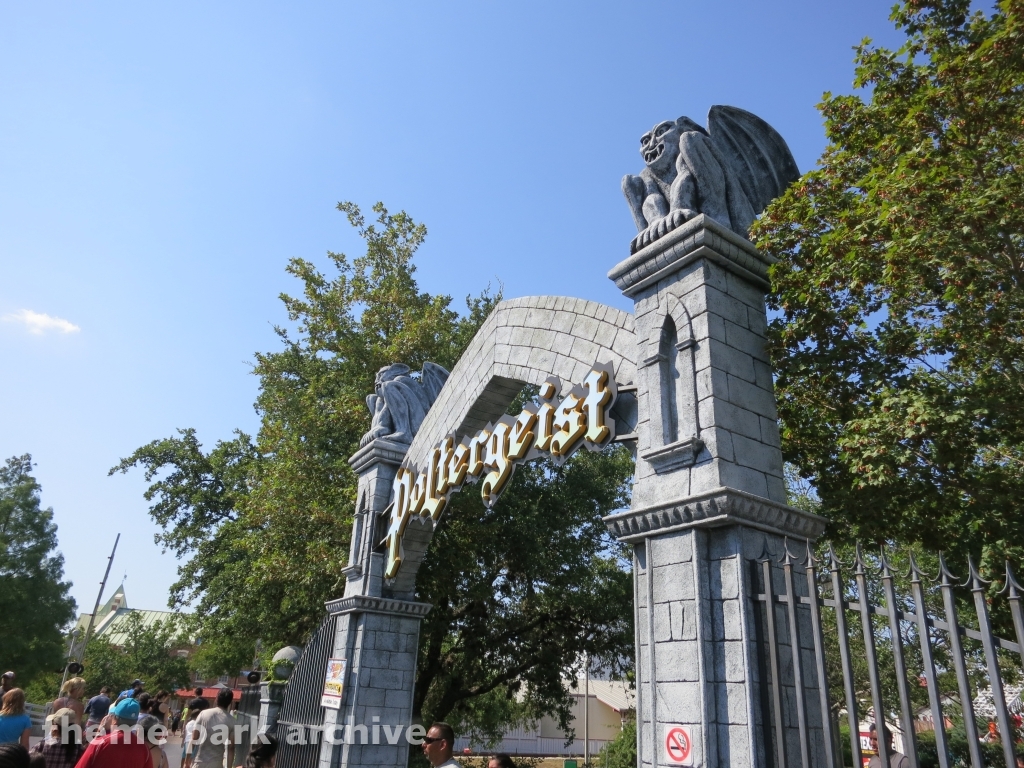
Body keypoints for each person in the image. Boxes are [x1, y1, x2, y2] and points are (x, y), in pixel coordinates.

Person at [77, 699, 152, 768]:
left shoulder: (99, 743)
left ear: (115, 719)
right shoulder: (144, 749)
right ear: (135, 722)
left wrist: (100, 731)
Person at [191, 689, 236, 768]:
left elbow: (194, 738)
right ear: (230, 702)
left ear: (216, 699)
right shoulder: (232, 721)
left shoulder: (203, 714)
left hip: (200, 760)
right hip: (216, 763)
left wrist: (187, 760)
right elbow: (231, 748)